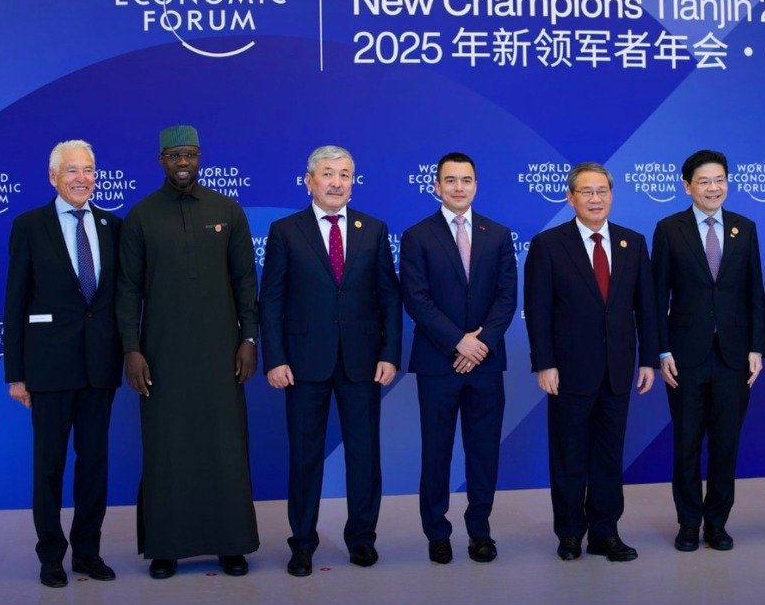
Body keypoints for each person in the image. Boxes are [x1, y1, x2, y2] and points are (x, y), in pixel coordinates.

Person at [116, 125, 260, 579]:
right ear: (161, 159)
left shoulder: (227, 210)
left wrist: (249, 339)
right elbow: (126, 291)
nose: (184, 163)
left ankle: (230, 544)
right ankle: (166, 547)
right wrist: (132, 350)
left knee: (225, 445)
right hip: (161, 355)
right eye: (175, 155)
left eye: (191, 155)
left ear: (200, 158)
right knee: (167, 449)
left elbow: (244, 283)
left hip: (221, 353)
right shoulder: (141, 216)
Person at [259, 145, 401, 576]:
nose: (337, 182)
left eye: (345, 175)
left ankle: (362, 539)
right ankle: (302, 543)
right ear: (309, 181)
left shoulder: (373, 229)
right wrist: (275, 358)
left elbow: (389, 297)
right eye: (328, 174)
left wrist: (389, 353)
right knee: (305, 457)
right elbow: (272, 301)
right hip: (303, 364)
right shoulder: (285, 230)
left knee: (364, 455)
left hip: (362, 362)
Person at [524, 162, 658, 562]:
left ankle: (605, 533)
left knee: (607, 456)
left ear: (611, 196)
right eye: (586, 191)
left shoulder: (632, 243)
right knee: (568, 455)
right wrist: (544, 364)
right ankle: (569, 533)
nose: (595, 198)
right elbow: (538, 309)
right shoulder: (549, 244)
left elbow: (645, 308)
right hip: (567, 372)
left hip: (618, 371)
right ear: (571, 198)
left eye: (602, 191)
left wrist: (648, 360)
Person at [4, 140, 121, 587]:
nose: (81, 178)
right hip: (48, 370)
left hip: (99, 368)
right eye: (71, 170)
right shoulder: (29, 226)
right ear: (53, 177)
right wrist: (16, 373)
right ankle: (51, 555)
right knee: (49, 466)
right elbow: (14, 303)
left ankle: (87, 552)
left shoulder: (114, 225)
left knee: (94, 464)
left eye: (89, 170)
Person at [400, 152, 517, 564]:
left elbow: (507, 297)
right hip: (437, 364)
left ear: (476, 185)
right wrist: (457, 343)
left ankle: (480, 531)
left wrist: (479, 344)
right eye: (450, 180)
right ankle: (438, 532)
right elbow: (416, 298)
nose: (459, 187)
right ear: (436, 186)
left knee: (483, 451)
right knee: (437, 451)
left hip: (486, 362)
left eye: (466, 180)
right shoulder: (417, 236)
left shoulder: (498, 234)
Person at [651, 149, 765, 552]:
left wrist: (757, 347)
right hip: (684, 356)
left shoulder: (745, 228)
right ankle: (688, 523)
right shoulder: (669, 229)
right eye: (704, 181)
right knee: (685, 444)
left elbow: (756, 292)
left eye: (720, 179)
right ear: (687, 186)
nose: (713, 187)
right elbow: (655, 295)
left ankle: (717, 523)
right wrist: (661, 351)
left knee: (726, 443)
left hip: (734, 356)